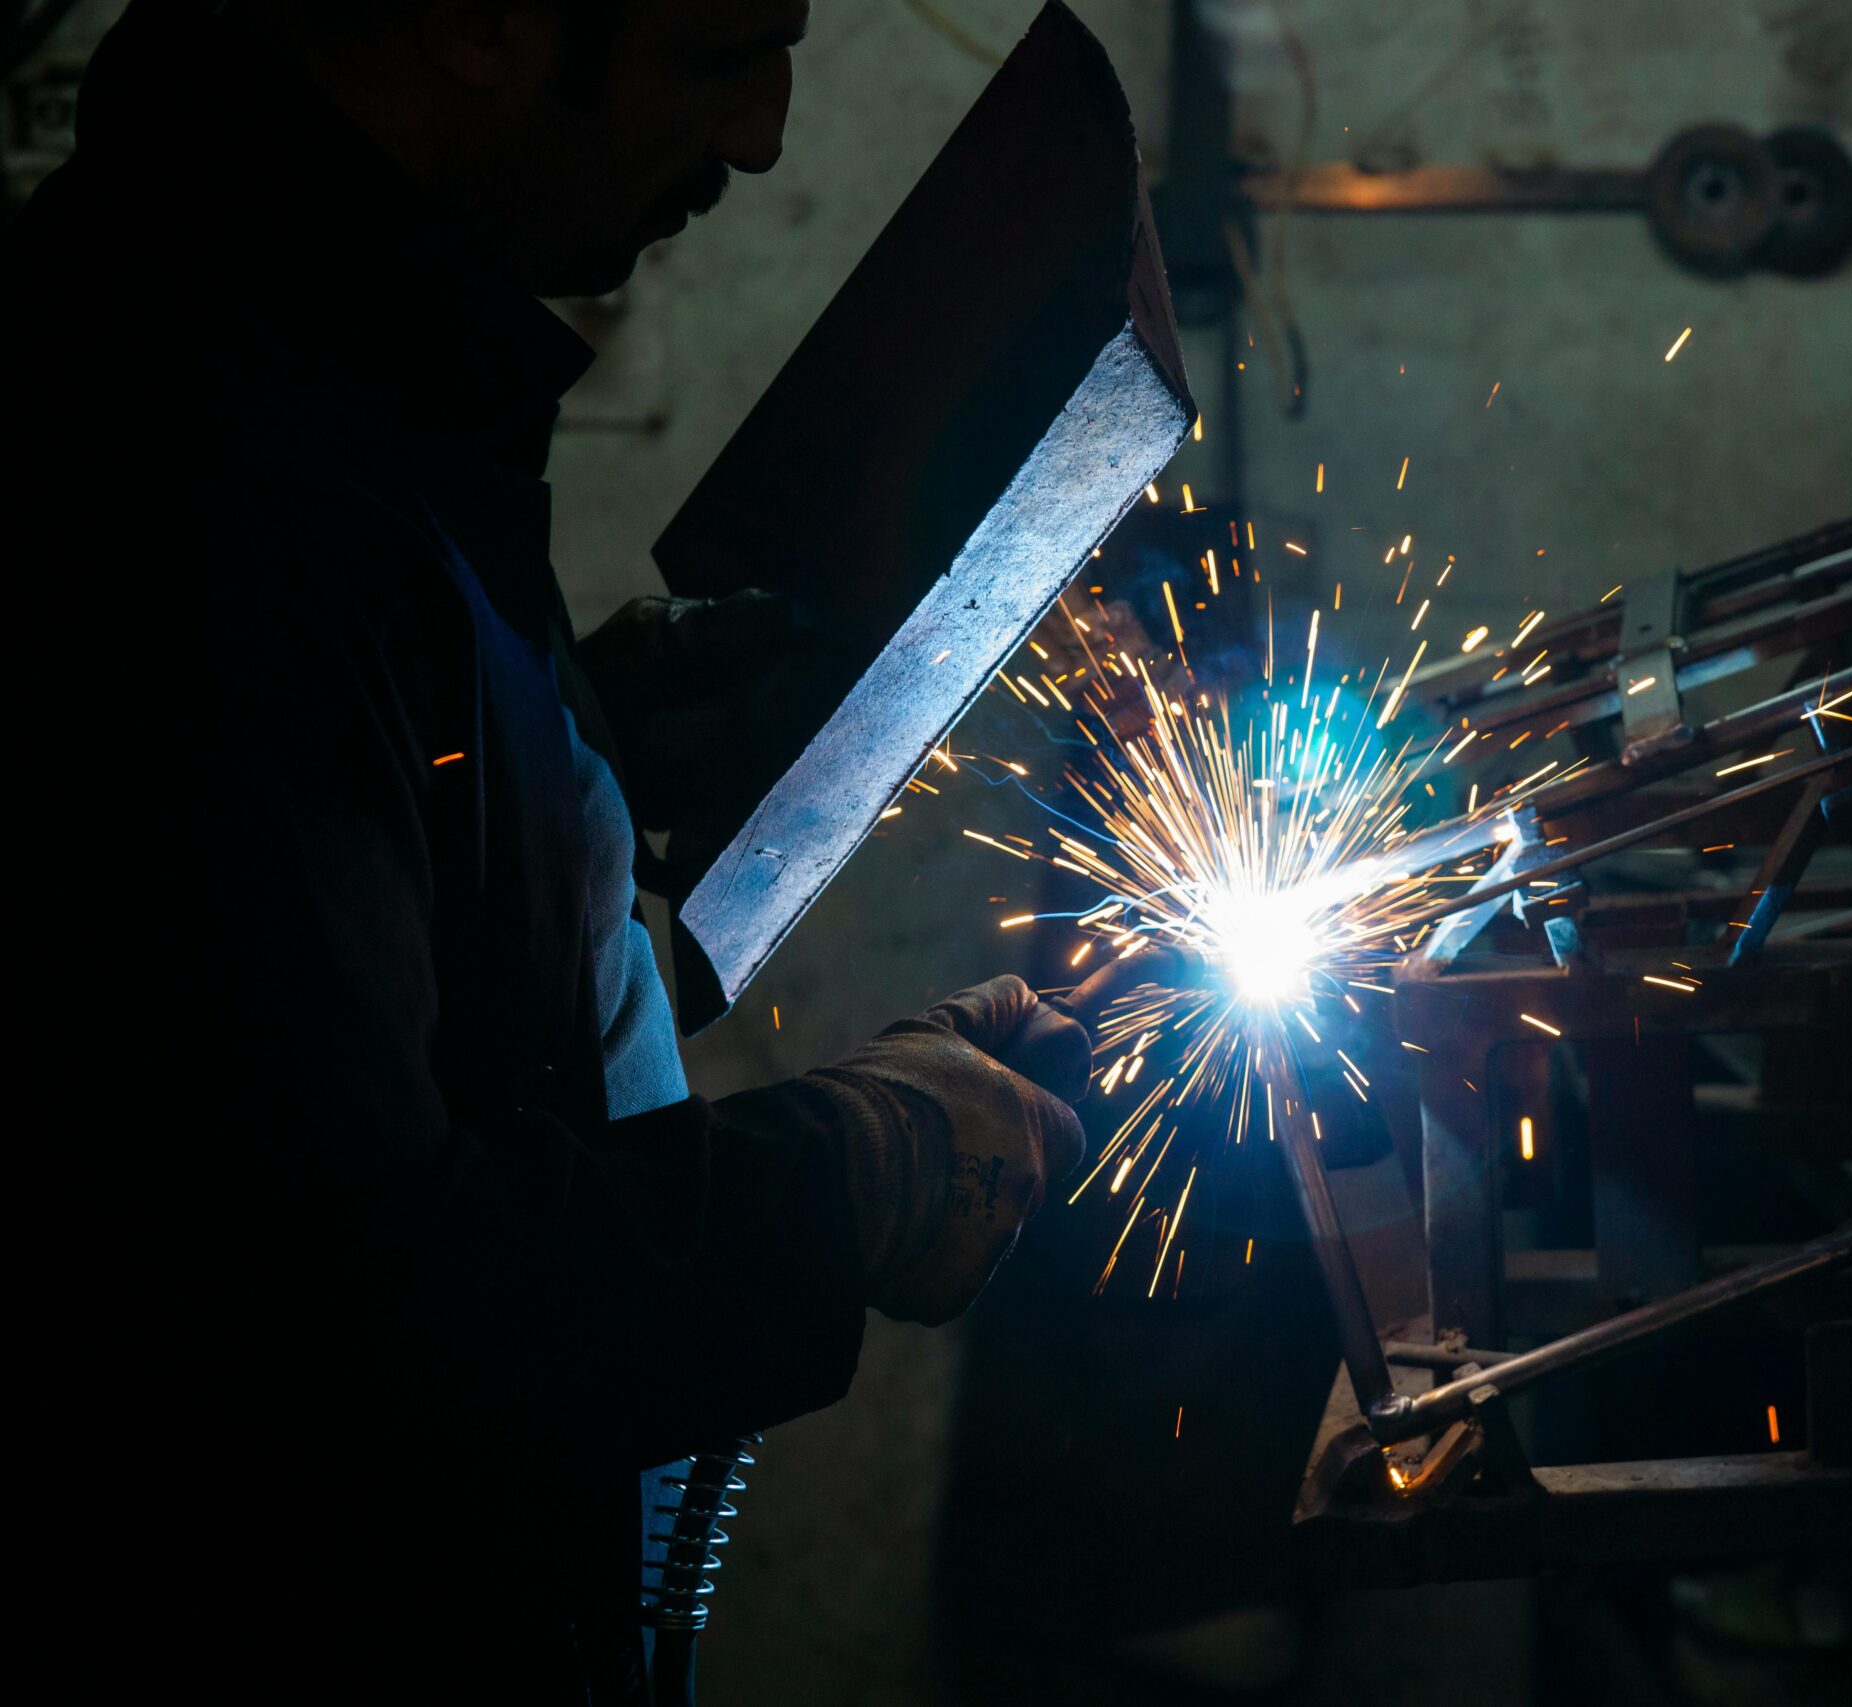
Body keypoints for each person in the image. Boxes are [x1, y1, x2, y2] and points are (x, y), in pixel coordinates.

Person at [2, 1, 1086, 1698]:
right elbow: (343, 1307)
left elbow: (304, 862)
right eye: (723, 49)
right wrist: (848, 1171)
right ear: (472, 17)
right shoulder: (185, 464)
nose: (763, 136)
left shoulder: (336, 369)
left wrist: (572, 732)